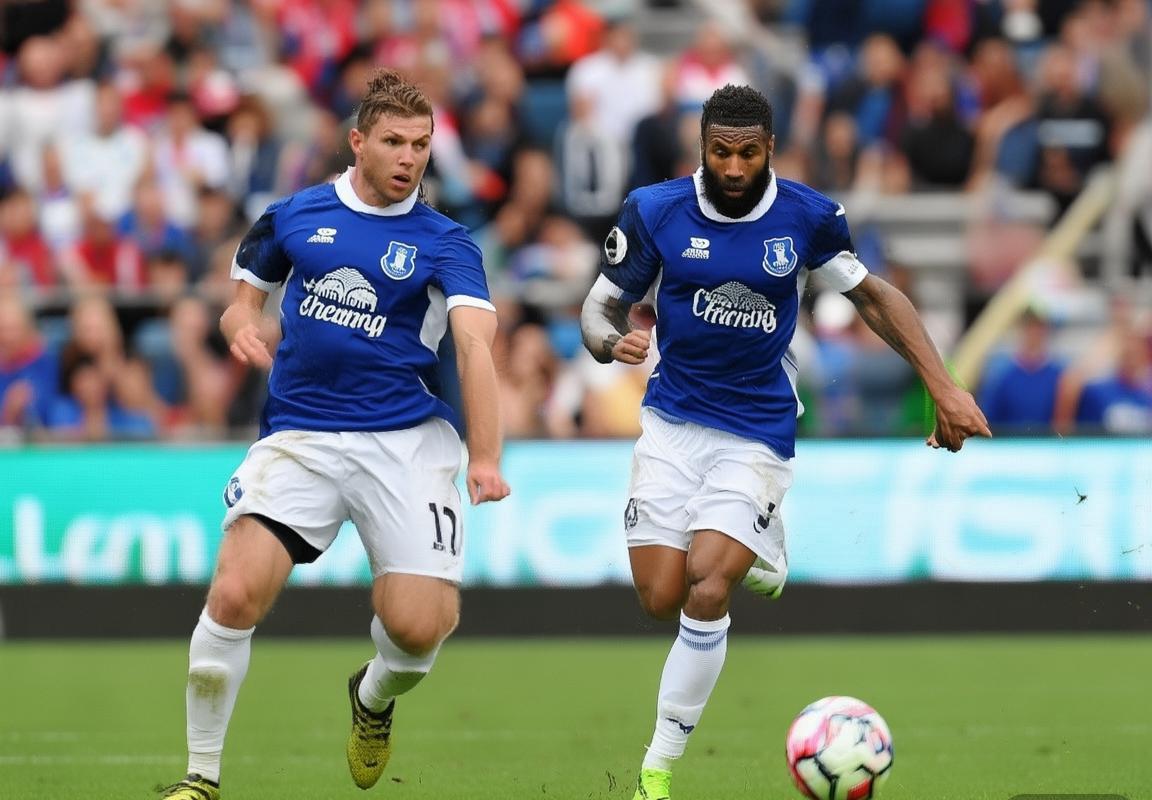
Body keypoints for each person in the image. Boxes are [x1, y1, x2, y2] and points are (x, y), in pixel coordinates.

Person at [579, 84, 990, 800]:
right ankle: (760, 545)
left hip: (756, 428)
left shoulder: (807, 216)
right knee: (660, 597)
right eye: (720, 152)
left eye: (748, 153)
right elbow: (598, 307)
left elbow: (873, 297)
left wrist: (943, 386)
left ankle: (656, 770)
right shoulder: (655, 211)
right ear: (702, 147)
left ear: (770, 148)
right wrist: (611, 342)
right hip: (671, 423)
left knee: (708, 585)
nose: (734, 168)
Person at [159, 69, 510, 800]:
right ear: (357, 141)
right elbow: (239, 302)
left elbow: (475, 346)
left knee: (418, 629)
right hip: (301, 438)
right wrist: (240, 324)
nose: (408, 157)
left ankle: (372, 696)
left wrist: (485, 455)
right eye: (393, 142)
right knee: (233, 595)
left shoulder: (446, 242)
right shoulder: (294, 216)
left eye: (421, 144)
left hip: (404, 443)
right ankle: (200, 777)